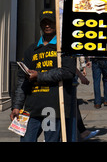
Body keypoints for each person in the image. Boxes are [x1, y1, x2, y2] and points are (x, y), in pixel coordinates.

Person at [10, 9, 76, 142]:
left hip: (52, 108)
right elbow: (22, 81)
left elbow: (68, 71)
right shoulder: (31, 50)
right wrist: (16, 106)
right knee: (26, 140)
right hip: (31, 109)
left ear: (56, 23)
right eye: (44, 22)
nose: (47, 25)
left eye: (50, 22)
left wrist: (39, 76)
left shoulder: (63, 48)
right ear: (40, 25)